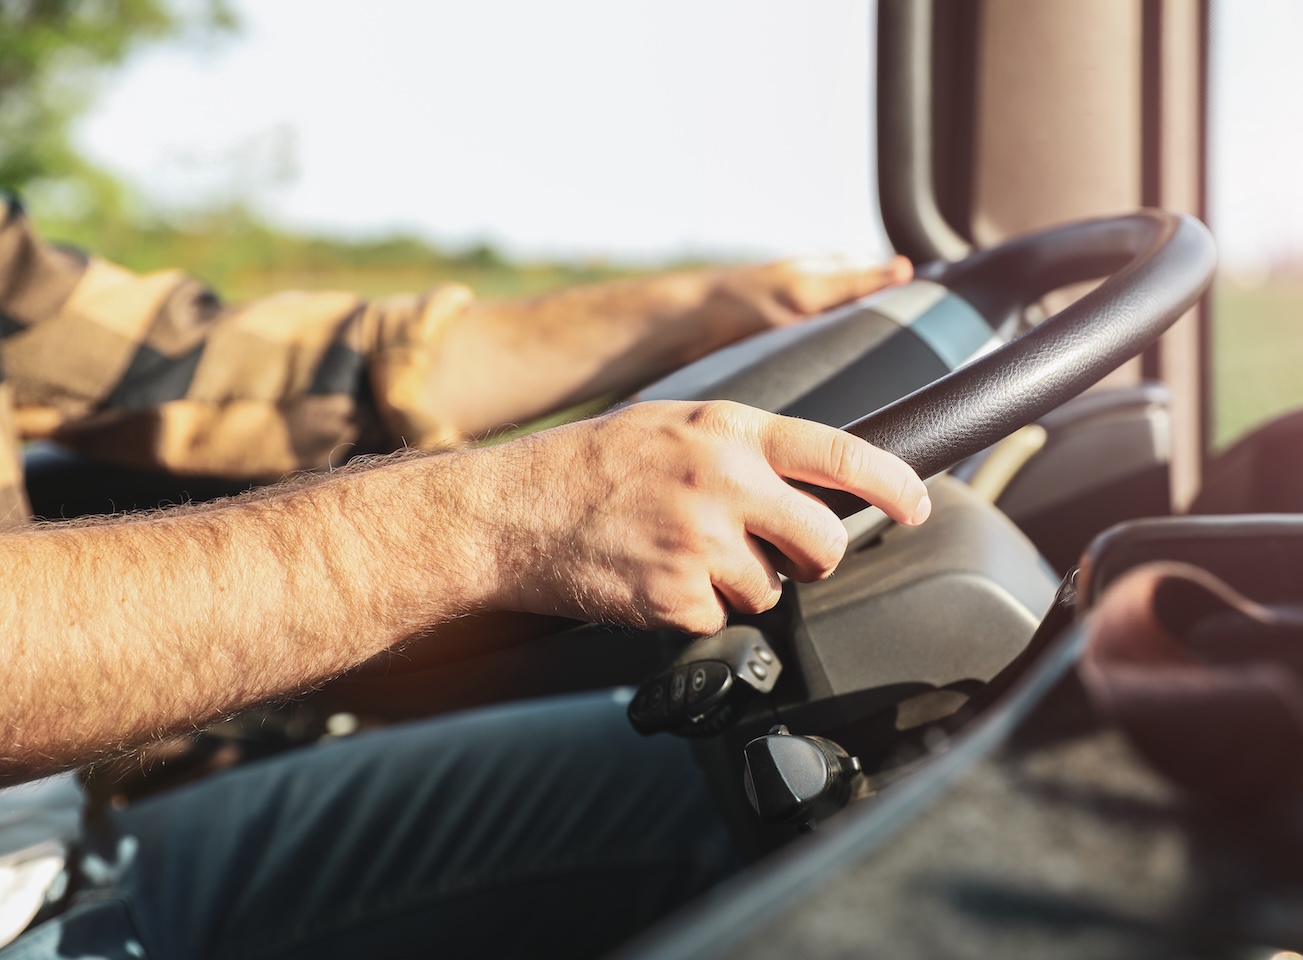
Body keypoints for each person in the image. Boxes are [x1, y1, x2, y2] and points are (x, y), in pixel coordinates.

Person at [0, 194, 929, 957]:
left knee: (721, 784)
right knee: (853, 832)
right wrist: (497, 520)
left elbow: (219, 367)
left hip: (52, 838)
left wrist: (707, 310)